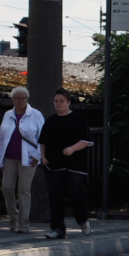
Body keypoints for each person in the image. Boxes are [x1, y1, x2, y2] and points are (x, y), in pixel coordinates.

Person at [39, 89, 93, 239]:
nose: (58, 104)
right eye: (56, 101)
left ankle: (82, 220)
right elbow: (42, 141)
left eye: (61, 101)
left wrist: (72, 149)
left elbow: (86, 140)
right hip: (53, 165)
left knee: (76, 195)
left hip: (74, 166)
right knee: (55, 197)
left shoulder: (78, 119)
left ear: (68, 102)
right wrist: (43, 156)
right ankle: (57, 228)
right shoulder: (50, 120)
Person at [0, 86, 45, 233]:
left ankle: (24, 223)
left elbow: (44, 138)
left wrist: (38, 156)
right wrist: (0, 160)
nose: (21, 101)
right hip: (9, 157)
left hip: (28, 158)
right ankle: (13, 217)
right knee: (7, 188)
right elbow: (1, 139)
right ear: (13, 100)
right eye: (18, 98)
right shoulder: (7, 115)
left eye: (23, 98)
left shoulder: (35, 114)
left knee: (24, 190)